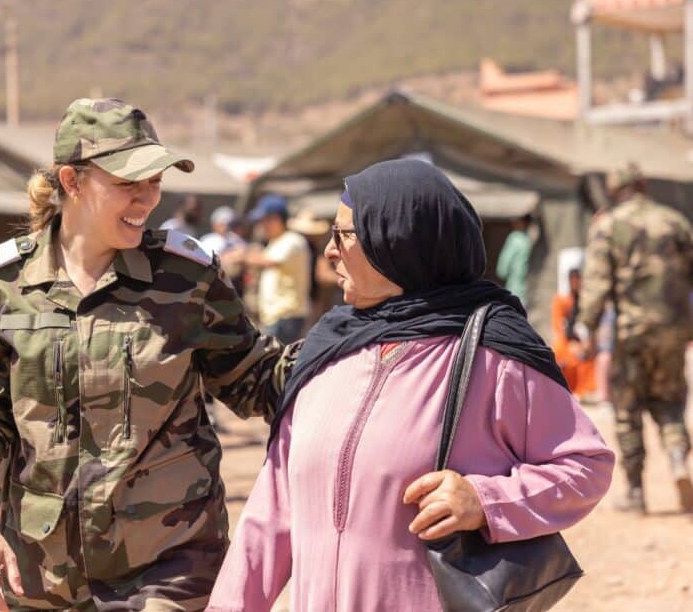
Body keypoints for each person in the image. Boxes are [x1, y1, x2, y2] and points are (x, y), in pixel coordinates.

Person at [0, 98, 291, 612]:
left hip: (169, 566)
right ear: (71, 181)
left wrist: (362, 347)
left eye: (155, 181)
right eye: (127, 184)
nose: (147, 199)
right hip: (40, 577)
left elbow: (259, 379)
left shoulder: (187, 279)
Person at [207, 159, 613, 611]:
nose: (329, 252)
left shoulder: (491, 355)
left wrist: (486, 501)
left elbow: (585, 465)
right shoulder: (325, 352)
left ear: (397, 242)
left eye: (343, 235)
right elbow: (272, 511)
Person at [577, 162, 693, 515]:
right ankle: (677, 460)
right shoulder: (674, 221)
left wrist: (586, 329)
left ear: (614, 189)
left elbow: (596, 285)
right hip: (674, 333)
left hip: (631, 334)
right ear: (644, 184)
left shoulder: (607, 226)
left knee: (628, 411)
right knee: (670, 402)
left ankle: (637, 492)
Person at [244, 194, 311, 344]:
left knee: (277, 364)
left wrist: (240, 256)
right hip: (276, 317)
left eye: (263, 221)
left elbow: (267, 261)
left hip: (286, 316)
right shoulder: (275, 242)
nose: (260, 226)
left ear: (275, 219)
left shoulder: (292, 240)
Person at [551, 268, 596, 397]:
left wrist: (586, 342)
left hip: (582, 341)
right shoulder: (562, 300)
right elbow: (558, 325)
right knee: (565, 356)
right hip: (566, 342)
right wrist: (570, 343)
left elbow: (589, 325)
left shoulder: (585, 300)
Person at [494, 213, 534, 307]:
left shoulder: (515, 239)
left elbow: (502, 270)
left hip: (515, 291)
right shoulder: (529, 240)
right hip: (528, 293)